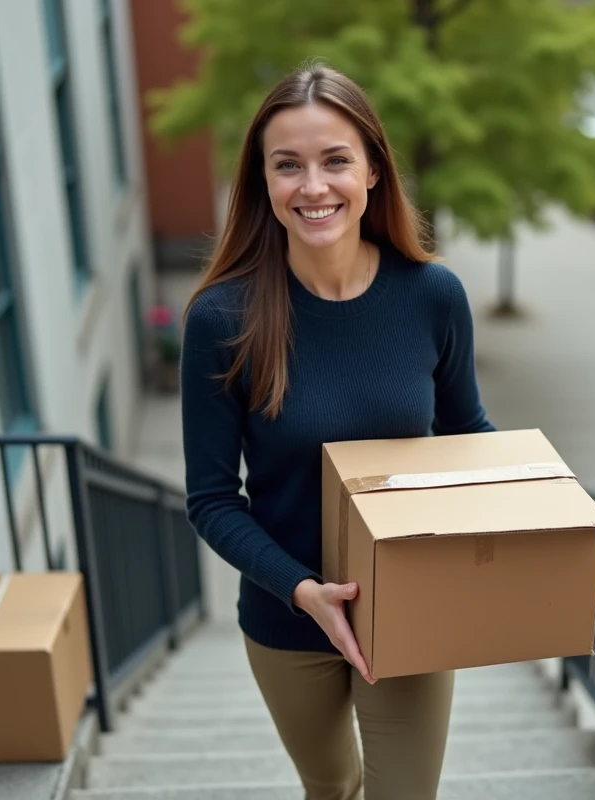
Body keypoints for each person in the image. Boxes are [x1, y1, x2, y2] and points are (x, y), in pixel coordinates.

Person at [180, 61, 495, 800]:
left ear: (373, 171)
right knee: (331, 788)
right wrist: (302, 591)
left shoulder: (433, 296)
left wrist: (534, 508)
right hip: (286, 619)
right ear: (262, 181)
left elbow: (469, 435)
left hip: (410, 609)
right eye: (288, 165)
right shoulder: (221, 319)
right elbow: (212, 499)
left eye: (335, 161)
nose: (313, 186)